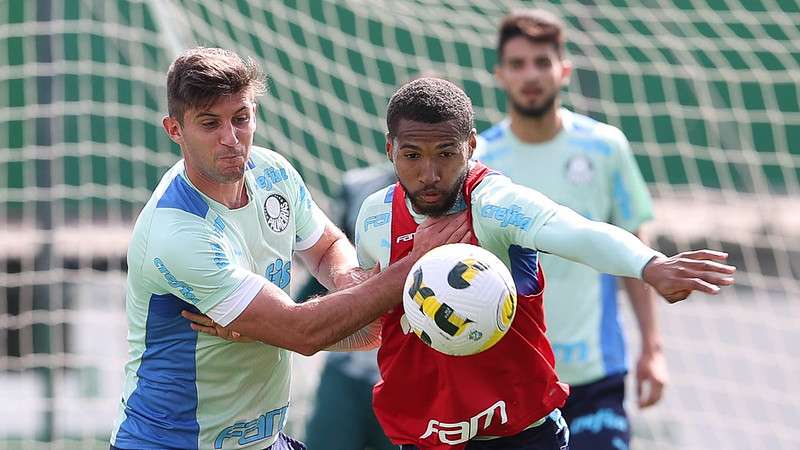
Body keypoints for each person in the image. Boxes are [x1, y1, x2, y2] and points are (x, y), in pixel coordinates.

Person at [189, 77, 735, 450]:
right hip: (425, 435)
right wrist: (262, 327)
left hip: (521, 434)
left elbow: (578, 232)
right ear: (389, 150)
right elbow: (378, 326)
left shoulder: (497, 204)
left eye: (445, 153)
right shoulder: (377, 218)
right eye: (413, 155)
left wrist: (649, 265)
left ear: (471, 146)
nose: (429, 172)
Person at [109, 47, 469, 450]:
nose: (231, 139)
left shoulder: (272, 172)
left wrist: (349, 282)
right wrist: (412, 266)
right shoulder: (178, 232)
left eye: (241, 119)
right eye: (210, 124)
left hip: (261, 442)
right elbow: (304, 332)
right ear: (175, 129)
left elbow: (327, 245)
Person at [474, 10, 664, 450]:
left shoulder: (605, 147)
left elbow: (634, 248)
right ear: (499, 74)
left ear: (564, 70)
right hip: (514, 380)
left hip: (595, 372)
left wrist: (652, 347)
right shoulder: (479, 159)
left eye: (542, 62)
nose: (531, 75)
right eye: (518, 64)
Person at [300, 164, 397, 450]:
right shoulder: (358, 187)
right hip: (347, 370)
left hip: (408, 374)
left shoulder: (456, 201)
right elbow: (327, 272)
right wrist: (283, 316)